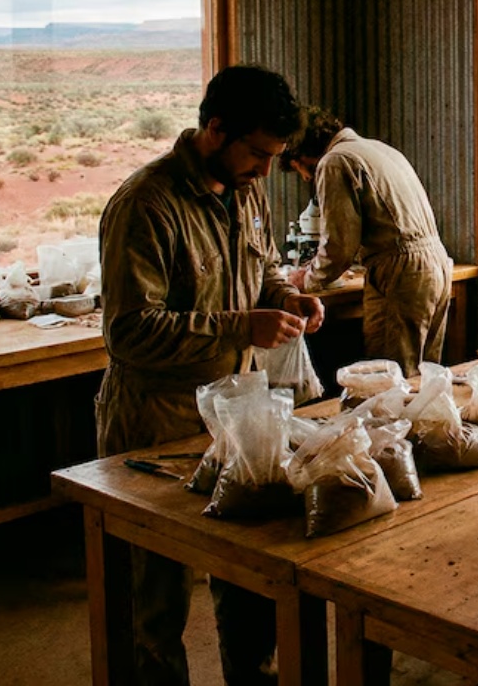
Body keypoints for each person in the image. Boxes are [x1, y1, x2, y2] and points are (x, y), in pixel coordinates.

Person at [96, 64, 325, 685]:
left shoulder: (246, 189)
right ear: (215, 129)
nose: (267, 170)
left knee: (247, 578)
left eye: (276, 156)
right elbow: (128, 331)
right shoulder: (145, 204)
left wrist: (285, 298)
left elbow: (263, 271)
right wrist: (238, 327)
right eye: (257, 152)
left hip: (236, 415)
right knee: (157, 598)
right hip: (156, 424)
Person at [281, 106, 452, 377]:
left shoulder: (334, 161)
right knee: (424, 376)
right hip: (436, 264)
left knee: (389, 379)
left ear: (300, 152)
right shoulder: (379, 149)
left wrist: (307, 279)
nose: (305, 178)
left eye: (299, 169)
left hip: (400, 271)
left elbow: (339, 245)